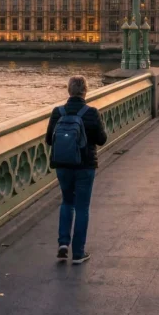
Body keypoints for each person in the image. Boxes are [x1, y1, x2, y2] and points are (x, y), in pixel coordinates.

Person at [46, 75, 108, 264]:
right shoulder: (92, 112)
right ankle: (78, 253)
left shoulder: (58, 112)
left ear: (69, 90)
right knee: (82, 207)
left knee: (66, 202)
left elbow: (49, 140)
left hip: (63, 165)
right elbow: (101, 139)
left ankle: (63, 244)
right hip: (85, 166)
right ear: (85, 91)